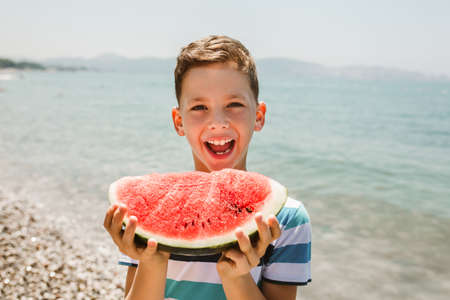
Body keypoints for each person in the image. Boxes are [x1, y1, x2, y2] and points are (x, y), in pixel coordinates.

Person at [103, 35, 312, 300]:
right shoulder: (146, 214)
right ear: (178, 121)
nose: (217, 122)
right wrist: (152, 261)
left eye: (234, 104)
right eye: (199, 107)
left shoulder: (286, 220)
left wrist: (236, 277)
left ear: (258, 116)